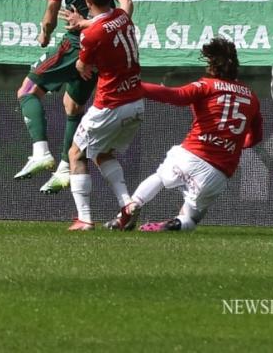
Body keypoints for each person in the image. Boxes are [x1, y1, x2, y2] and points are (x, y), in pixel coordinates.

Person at [15, 0, 133, 195]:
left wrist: (44, 34)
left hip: (76, 46)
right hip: (102, 52)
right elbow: (126, 5)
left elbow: (51, 13)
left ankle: (41, 151)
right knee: (72, 106)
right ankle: (66, 169)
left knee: (27, 90)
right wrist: (109, 26)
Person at [107, 37, 263, 232]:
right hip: (218, 172)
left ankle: (130, 209)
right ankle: (173, 225)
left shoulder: (207, 85)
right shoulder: (251, 96)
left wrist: (137, 88)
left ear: (213, 65)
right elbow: (256, 137)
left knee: (160, 177)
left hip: (192, 154)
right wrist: (235, 145)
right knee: (191, 219)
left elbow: (177, 96)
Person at [66, 0, 143, 231]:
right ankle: (127, 205)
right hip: (135, 102)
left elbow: (84, 63)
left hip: (110, 105)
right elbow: (103, 26)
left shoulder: (92, 36)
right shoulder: (123, 15)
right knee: (102, 153)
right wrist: (82, 22)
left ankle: (84, 219)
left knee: (76, 153)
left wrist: (79, 63)